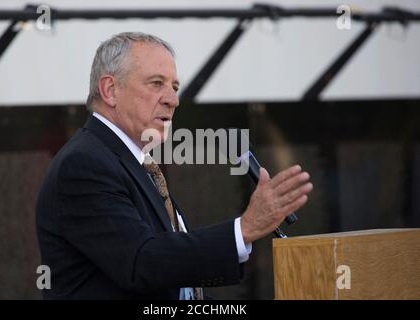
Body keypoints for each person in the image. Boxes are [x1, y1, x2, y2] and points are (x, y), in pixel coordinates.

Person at [35, 32, 313, 299]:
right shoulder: (84, 164)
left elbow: (175, 281)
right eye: (156, 83)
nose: (173, 100)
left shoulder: (137, 163)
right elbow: (142, 262)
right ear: (110, 90)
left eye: (175, 87)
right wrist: (245, 229)